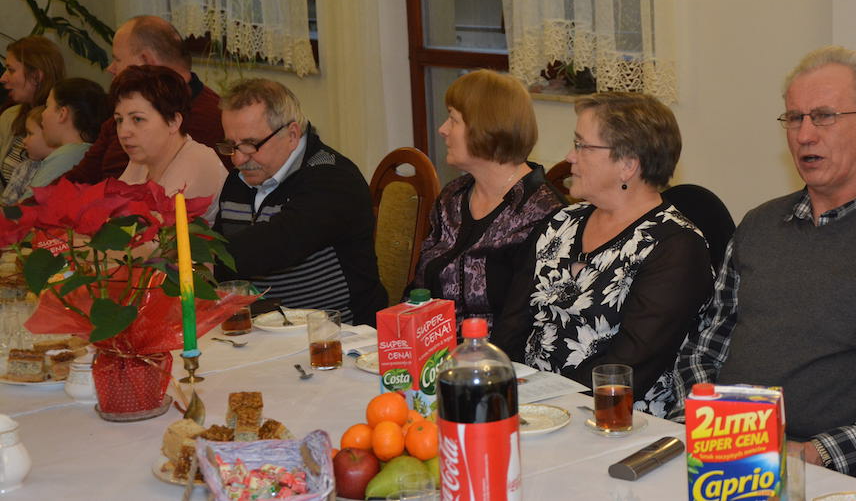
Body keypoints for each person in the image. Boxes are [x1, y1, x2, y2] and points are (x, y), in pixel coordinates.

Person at [670, 46, 856, 496]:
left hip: (845, 475)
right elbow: (703, 347)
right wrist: (703, 419)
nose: (805, 135)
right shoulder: (759, 225)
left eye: (824, 117)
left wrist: (814, 453)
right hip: (725, 456)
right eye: (794, 118)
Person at [493, 92, 714, 417]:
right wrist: (499, 392)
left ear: (627, 165)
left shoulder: (675, 247)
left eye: (582, 146)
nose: (569, 156)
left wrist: (543, 406)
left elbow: (629, 368)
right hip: (531, 408)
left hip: (618, 421)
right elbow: (511, 326)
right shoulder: (560, 222)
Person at [213, 79, 387, 326]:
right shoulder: (238, 181)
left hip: (339, 332)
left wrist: (198, 254)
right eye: (231, 146)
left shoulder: (333, 179)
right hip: (260, 331)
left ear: (292, 134)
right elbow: (223, 257)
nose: (238, 159)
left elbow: (276, 245)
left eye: (251, 145)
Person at [413, 70, 564, 326]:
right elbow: (419, 291)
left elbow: (527, 322)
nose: (442, 129)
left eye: (453, 120)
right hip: (435, 343)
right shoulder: (452, 197)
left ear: (486, 127)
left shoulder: (543, 212)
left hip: (499, 350)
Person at [64, 15, 226, 183]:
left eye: (117, 59)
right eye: (120, 120)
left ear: (146, 62)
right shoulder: (125, 112)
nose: (110, 68)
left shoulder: (210, 120)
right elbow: (79, 178)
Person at [110, 65, 228, 223]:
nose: (123, 132)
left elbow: (156, 237)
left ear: (174, 121)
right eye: (119, 120)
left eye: (137, 119)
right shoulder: (140, 159)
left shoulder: (199, 161)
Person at [0, 36, 65, 188]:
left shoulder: (65, 127)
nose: (3, 78)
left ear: (36, 76)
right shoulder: (10, 116)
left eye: (11, 70)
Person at [1, 107, 49, 204]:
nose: (24, 140)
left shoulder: (60, 169)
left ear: (50, 134)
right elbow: (6, 203)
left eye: (30, 134)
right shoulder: (24, 168)